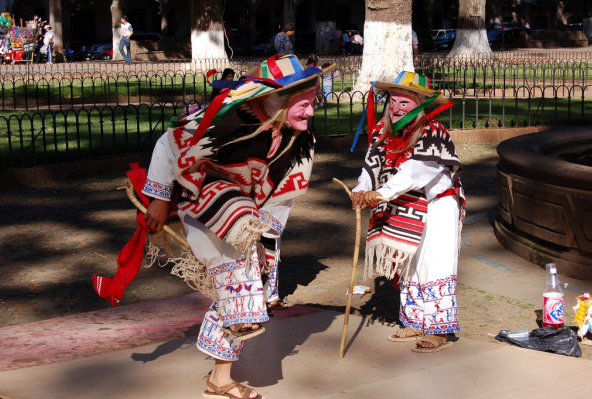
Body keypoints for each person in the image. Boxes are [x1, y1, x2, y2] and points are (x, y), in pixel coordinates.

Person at [93, 55, 335, 398]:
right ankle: (220, 375)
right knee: (240, 282)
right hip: (207, 203)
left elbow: (281, 195)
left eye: (313, 104)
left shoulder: (297, 138)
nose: (311, 112)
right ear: (277, 99)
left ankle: (220, 377)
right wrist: (160, 199)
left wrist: (268, 239)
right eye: (303, 105)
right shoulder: (232, 121)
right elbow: (169, 143)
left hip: (247, 215)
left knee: (243, 289)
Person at [351, 71, 465, 353]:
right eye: (393, 101)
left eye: (405, 103)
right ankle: (415, 320)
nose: (396, 108)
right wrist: (361, 189)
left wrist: (381, 194)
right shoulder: (382, 130)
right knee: (410, 264)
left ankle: (439, 329)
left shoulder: (432, 130)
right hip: (406, 203)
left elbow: (418, 170)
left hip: (439, 203)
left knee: (435, 263)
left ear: (421, 105)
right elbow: (372, 165)